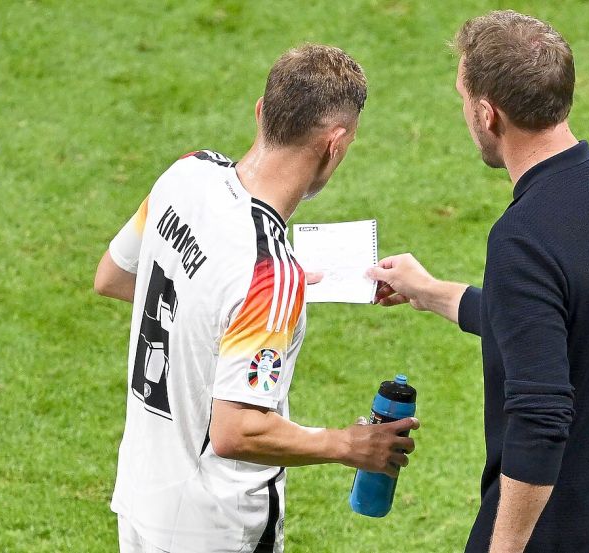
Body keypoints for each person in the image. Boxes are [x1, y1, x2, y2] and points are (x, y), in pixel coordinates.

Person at [369, 11, 589, 553]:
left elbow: (541, 418)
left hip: (565, 534)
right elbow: (562, 324)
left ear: (487, 113)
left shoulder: (524, 237)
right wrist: (431, 292)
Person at [93, 44, 419, 553]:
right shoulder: (269, 274)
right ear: (334, 145)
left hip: (142, 498)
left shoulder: (186, 174)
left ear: (262, 111)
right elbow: (236, 432)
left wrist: (256, 303)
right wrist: (347, 445)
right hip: (213, 529)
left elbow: (113, 276)